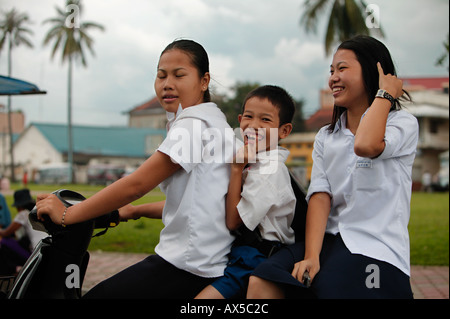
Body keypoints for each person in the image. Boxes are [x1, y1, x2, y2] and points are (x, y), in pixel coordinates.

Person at [35, 39, 236, 298]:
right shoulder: (216, 123)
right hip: (208, 260)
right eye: (161, 75)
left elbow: (136, 185)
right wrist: (133, 212)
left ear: (204, 81)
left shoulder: (193, 126)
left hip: (188, 264)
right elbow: (200, 202)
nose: (167, 84)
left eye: (179, 75)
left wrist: (68, 215)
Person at [247, 35, 419, 299]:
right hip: (328, 240)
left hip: (375, 247)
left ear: (375, 72)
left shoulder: (401, 124)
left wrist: (383, 94)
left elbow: (366, 145)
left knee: (329, 289)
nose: (333, 78)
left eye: (342, 69)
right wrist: (311, 257)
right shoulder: (327, 137)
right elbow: (320, 195)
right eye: (331, 71)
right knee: (261, 280)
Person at [195, 85, 296, 299]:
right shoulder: (253, 160)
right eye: (249, 117)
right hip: (238, 254)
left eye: (266, 120)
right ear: (240, 120)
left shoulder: (270, 170)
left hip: (257, 258)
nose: (254, 126)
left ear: (284, 131)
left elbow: (233, 221)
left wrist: (236, 169)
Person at [0, 189, 46, 275]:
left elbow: (6, 233)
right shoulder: (38, 212)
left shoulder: (23, 214)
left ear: (19, 206)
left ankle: (15, 269)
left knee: (5, 242)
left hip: (36, 253)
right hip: (46, 248)